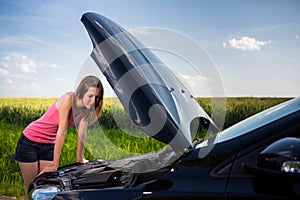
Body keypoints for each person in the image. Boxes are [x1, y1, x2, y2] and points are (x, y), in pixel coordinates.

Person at [14, 75, 104, 199]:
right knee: (31, 188)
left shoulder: (86, 109)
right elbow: (62, 131)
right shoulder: (68, 98)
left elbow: (82, 133)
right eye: (90, 96)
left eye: (97, 97)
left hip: (49, 145)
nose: (93, 101)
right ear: (81, 92)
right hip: (30, 141)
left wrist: (80, 158)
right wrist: (55, 164)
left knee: (45, 187)